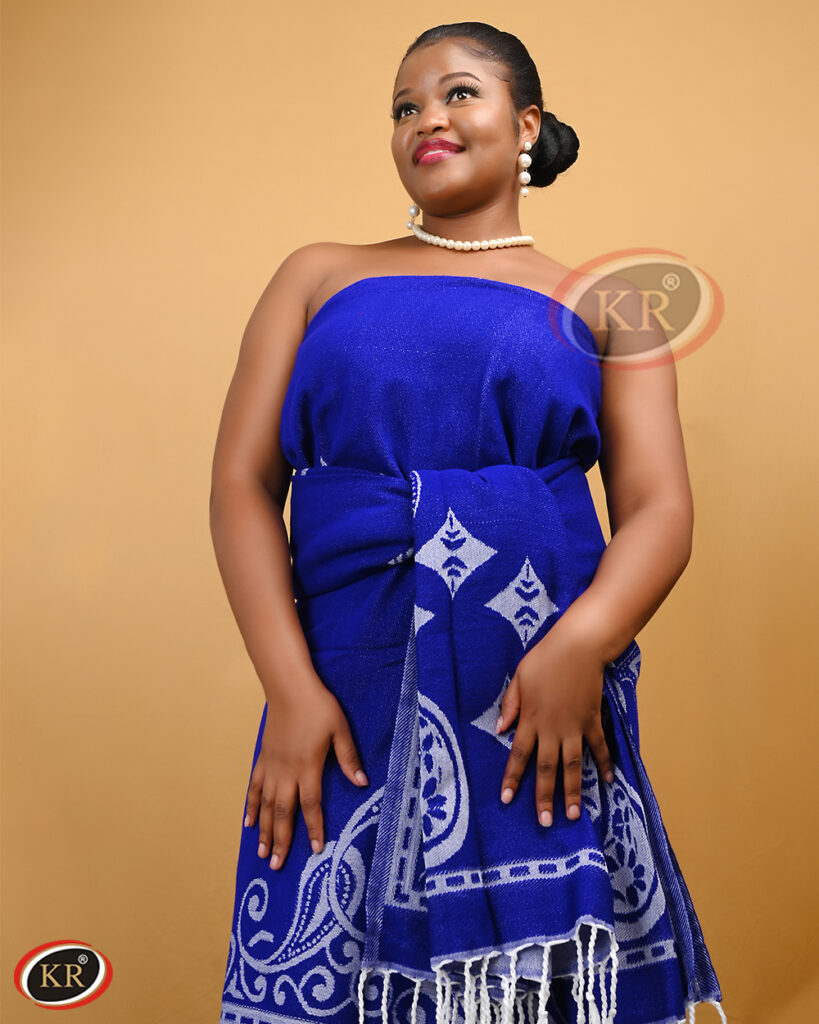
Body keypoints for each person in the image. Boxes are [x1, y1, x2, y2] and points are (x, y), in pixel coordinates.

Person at [210, 21, 727, 1024]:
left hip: (537, 688)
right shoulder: (318, 274)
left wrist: (580, 645)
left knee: (540, 987)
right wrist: (290, 691)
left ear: (526, 123)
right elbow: (241, 484)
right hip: (341, 684)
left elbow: (660, 510)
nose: (426, 120)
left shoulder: (613, 303)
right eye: (404, 106)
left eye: (456, 94)